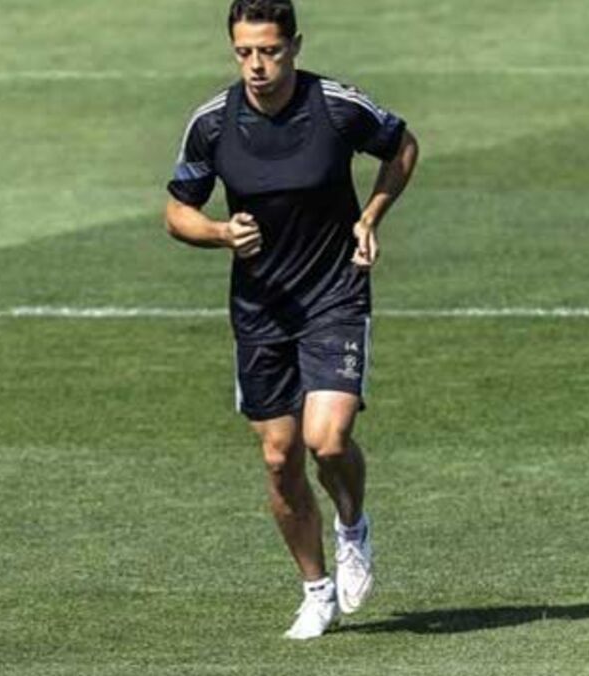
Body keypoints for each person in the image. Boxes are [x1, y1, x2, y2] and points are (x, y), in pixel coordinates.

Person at [164, 0, 418, 640]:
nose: (257, 65)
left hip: (334, 295)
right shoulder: (213, 122)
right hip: (261, 311)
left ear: (295, 46)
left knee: (326, 440)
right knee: (280, 459)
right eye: (245, 52)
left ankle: (352, 525)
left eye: (270, 51)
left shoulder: (336, 106)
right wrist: (220, 232)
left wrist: (370, 217)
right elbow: (177, 211)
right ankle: (316, 591)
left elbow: (401, 147)